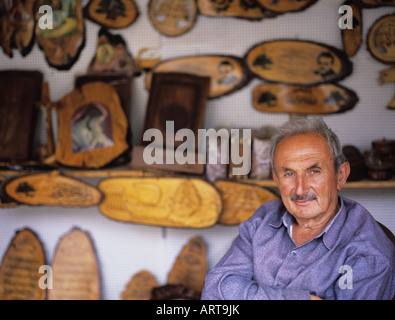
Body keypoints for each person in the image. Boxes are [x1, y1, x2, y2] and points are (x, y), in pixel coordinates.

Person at [202, 117, 395, 300]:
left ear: (340, 176)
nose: (301, 189)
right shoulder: (265, 218)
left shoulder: (369, 254)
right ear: (276, 179)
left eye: (314, 171)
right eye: (288, 173)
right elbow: (215, 289)